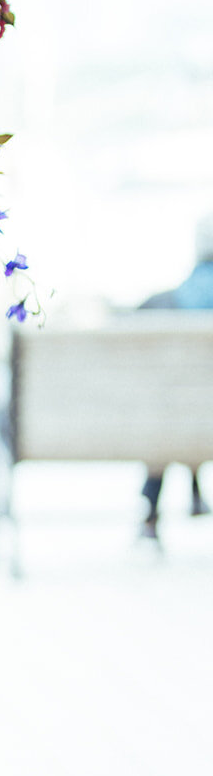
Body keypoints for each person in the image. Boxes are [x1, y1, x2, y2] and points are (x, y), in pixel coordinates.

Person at [137, 212, 213, 536]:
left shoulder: (164, 302)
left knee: (169, 409)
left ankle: (151, 512)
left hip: (172, 421)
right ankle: (194, 495)